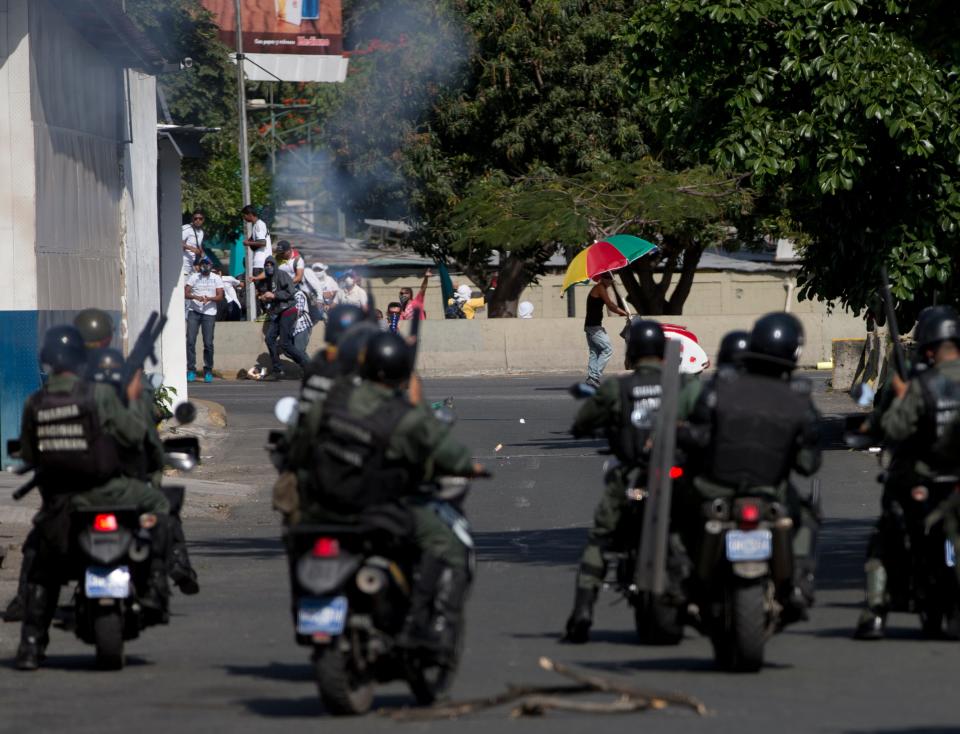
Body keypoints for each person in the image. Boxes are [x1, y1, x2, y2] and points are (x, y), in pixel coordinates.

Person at [292, 331, 486, 658]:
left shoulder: (331, 403)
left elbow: (298, 448)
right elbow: (449, 456)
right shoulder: (404, 415)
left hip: (323, 510)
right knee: (447, 545)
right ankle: (424, 625)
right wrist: (473, 467)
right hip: (381, 510)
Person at [13, 326, 171, 670]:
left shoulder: (35, 402)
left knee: (43, 566)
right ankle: (157, 583)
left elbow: (28, 453)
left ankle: (30, 646)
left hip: (61, 502)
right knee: (160, 505)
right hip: (106, 492)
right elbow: (131, 434)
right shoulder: (97, 395)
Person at [563, 320, 700, 643]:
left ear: (632, 352)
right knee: (702, 528)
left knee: (601, 538)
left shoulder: (618, 388)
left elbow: (582, 422)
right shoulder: (684, 385)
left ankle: (583, 611)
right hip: (677, 477)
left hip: (632, 475)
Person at [681, 312, 822, 624]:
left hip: (714, 491)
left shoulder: (720, 387)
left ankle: (687, 583)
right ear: (795, 350)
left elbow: (698, 437)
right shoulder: (799, 398)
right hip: (769, 493)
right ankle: (798, 583)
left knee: (683, 513)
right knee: (806, 514)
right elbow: (808, 463)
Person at [854, 306, 960, 639]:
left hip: (922, 480)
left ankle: (875, 612)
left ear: (929, 348)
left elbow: (894, 428)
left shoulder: (921, 384)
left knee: (885, 537)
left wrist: (900, 397)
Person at [260, 256, 307, 380]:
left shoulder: (282, 274)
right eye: (266, 265)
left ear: (275, 265)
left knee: (285, 344)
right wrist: (265, 297)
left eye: (271, 264)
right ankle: (278, 370)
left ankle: (308, 366)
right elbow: (269, 295)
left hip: (288, 310)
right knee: (269, 339)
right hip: (278, 311)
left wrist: (274, 295)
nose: (268, 267)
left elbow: (291, 291)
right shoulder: (268, 279)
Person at [584, 273, 629, 388]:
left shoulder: (600, 288)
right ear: (602, 279)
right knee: (607, 349)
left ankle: (591, 378)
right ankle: (594, 376)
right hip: (594, 327)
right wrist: (624, 313)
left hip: (591, 326)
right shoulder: (599, 287)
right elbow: (610, 305)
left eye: (611, 279)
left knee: (594, 352)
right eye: (608, 279)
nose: (610, 281)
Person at [185, 256, 224, 383]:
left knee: (208, 343)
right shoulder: (194, 277)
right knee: (190, 340)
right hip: (194, 312)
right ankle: (191, 370)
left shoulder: (216, 278)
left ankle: (208, 370)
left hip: (209, 313)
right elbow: (185, 293)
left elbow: (220, 296)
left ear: (211, 266)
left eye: (207, 264)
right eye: (202, 264)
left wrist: (210, 299)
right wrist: (196, 297)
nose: (204, 267)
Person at [241, 205, 272, 284]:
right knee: (260, 289)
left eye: (244, 216)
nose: (244, 218)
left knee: (260, 288)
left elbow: (262, 243)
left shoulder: (259, 225)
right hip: (261, 261)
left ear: (250, 215)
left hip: (261, 262)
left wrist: (248, 243)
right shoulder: (257, 225)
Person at [181, 210, 205, 276]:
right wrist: (192, 248)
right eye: (195, 218)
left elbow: (198, 245)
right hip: (183, 261)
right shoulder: (187, 228)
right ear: (192, 219)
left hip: (192, 262)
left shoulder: (201, 232)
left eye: (200, 219)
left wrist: (202, 252)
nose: (198, 220)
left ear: (203, 220)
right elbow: (177, 242)